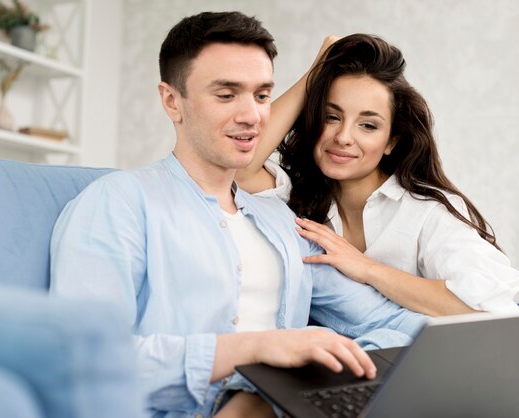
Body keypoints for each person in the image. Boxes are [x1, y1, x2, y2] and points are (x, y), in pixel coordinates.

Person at [50, 15, 426, 417]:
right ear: (171, 101)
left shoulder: (282, 222)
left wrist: (312, 368)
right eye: (227, 95)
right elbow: (83, 361)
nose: (252, 116)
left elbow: (394, 325)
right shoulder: (119, 202)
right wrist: (257, 349)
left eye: (262, 96)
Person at [236, 33, 519, 317]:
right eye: (331, 117)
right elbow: (241, 167)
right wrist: (316, 73)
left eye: (368, 126)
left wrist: (367, 268)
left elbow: (489, 306)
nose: (344, 137)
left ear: (391, 142)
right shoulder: (296, 197)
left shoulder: (425, 212)